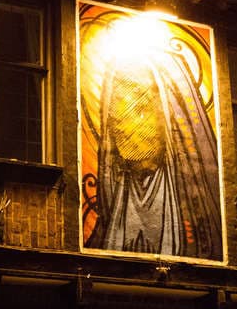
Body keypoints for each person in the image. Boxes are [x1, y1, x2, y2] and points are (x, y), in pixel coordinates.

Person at [86, 23, 222, 260]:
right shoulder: (117, 206)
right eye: (117, 112)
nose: (125, 124)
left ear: (172, 119)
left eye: (140, 107)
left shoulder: (187, 216)